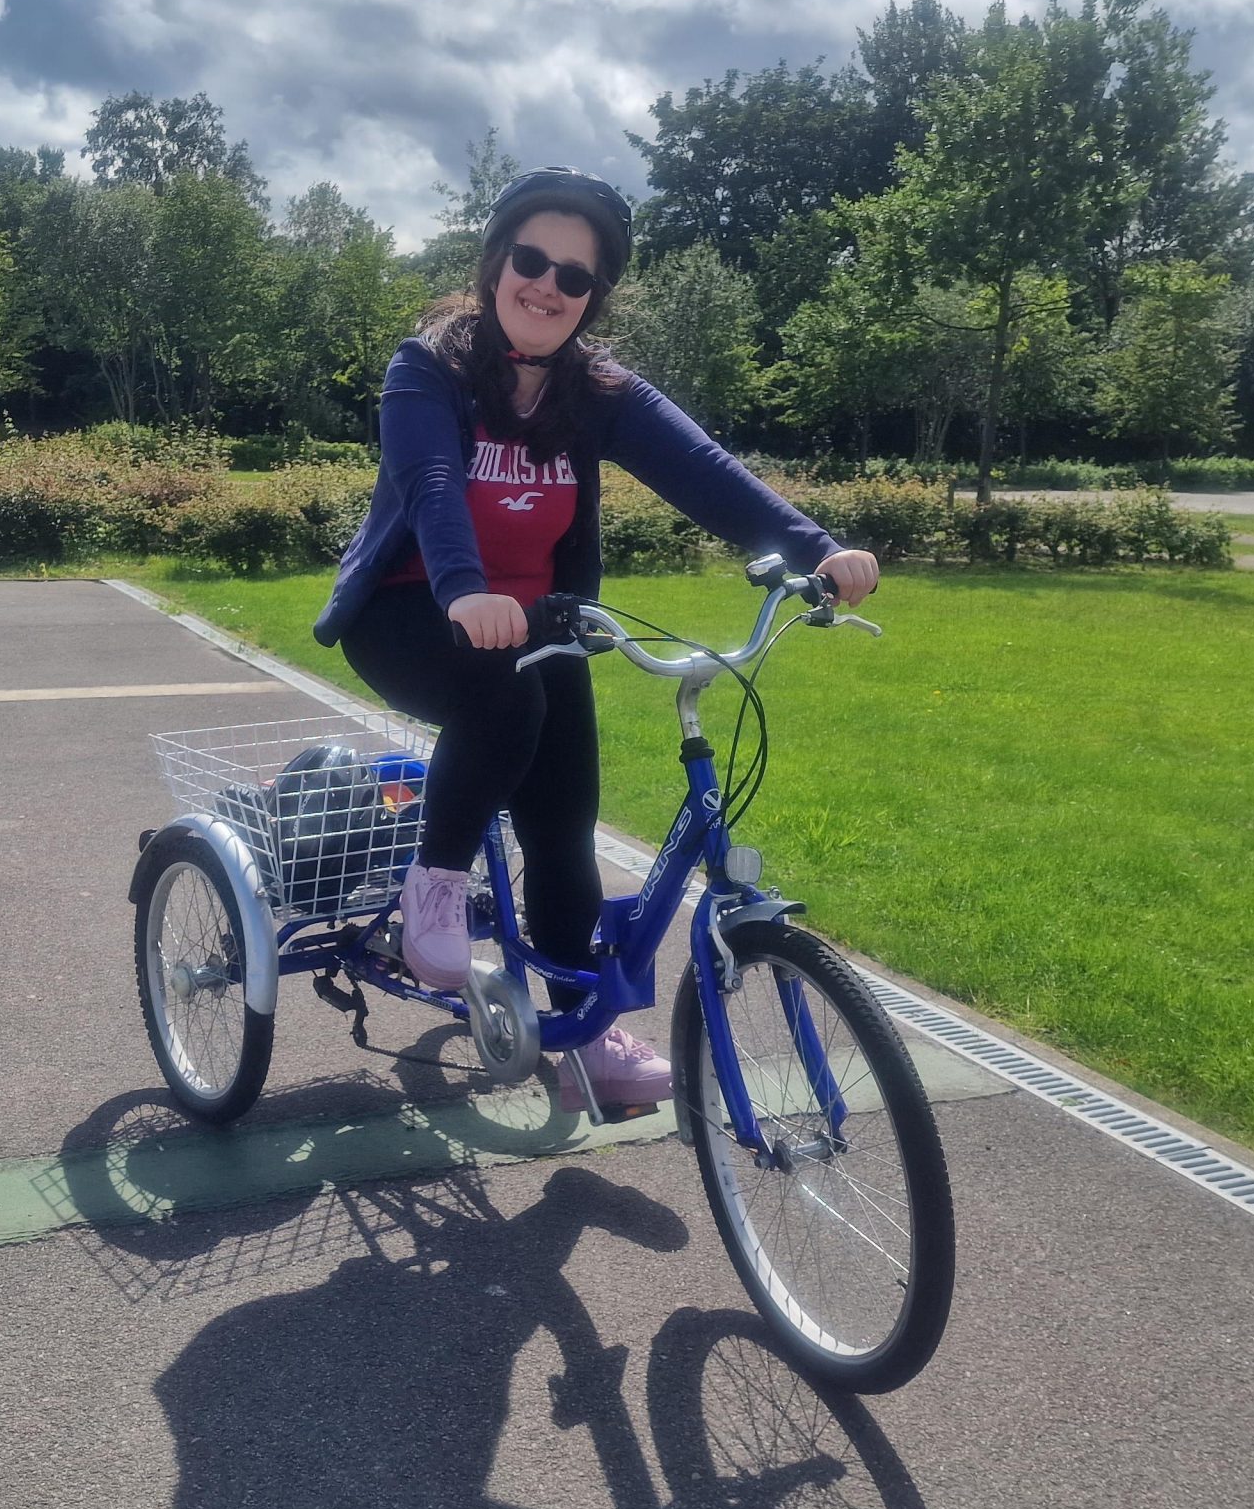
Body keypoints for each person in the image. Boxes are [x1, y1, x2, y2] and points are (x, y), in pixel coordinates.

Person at [313, 167, 879, 1109]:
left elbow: (704, 470)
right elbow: (433, 487)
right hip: (415, 612)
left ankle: (583, 1029)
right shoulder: (429, 368)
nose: (547, 286)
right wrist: (464, 590)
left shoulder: (597, 390)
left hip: (542, 623)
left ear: (593, 296)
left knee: (565, 821)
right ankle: (437, 885)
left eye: (574, 277)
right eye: (531, 260)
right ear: (496, 264)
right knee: (504, 698)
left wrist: (818, 551)